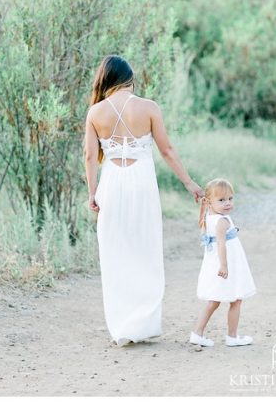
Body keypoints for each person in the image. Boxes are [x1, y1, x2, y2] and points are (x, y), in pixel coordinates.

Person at [84, 55, 204, 345]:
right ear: (130, 78)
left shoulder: (95, 113)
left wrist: (92, 192)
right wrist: (189, 183)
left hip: (111, 185)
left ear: (105, 79)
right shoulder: (149, 108)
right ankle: (144, 323)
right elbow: (167, 150)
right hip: (142, 184)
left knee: (115, 252)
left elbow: (89, 157)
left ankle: (123, 327)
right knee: (145, 248)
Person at [190, 178, 256, 347]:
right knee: (236, 298)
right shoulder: (221, 221)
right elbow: (221, 244)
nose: (227, 203)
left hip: (217, 264)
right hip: (225, 264)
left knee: (214, 300)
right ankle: (232, 337)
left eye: (230, 199)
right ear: (209, 201)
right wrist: (224, 266)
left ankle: (197, 333)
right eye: (221, 200)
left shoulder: (211, 217)